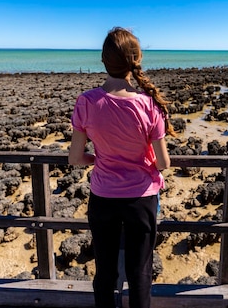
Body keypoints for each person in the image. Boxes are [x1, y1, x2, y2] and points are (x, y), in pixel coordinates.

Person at [68, 27, 174, 308]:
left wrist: (100, 159)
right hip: (142, 199)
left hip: (103, 198)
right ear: (136, 60)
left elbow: (75, 158)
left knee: (104, 271)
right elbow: (163, 163)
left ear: (103, 60)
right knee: (139, 274)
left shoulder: (87, 101)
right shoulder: (148, 105)